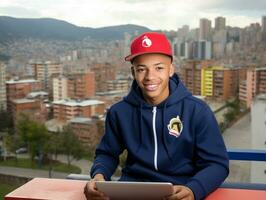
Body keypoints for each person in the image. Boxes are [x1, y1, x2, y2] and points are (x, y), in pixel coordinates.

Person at [84, 32, 229, 200]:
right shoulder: (119, 112)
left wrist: (194, 190)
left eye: (158, 68)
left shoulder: (197, 111)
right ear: (133, 72)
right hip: (131, 192)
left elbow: (217, 164)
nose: (150, 77)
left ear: (170, 70)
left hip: (179, 192)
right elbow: (107, 154)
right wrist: (99, 176)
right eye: (141, 69)